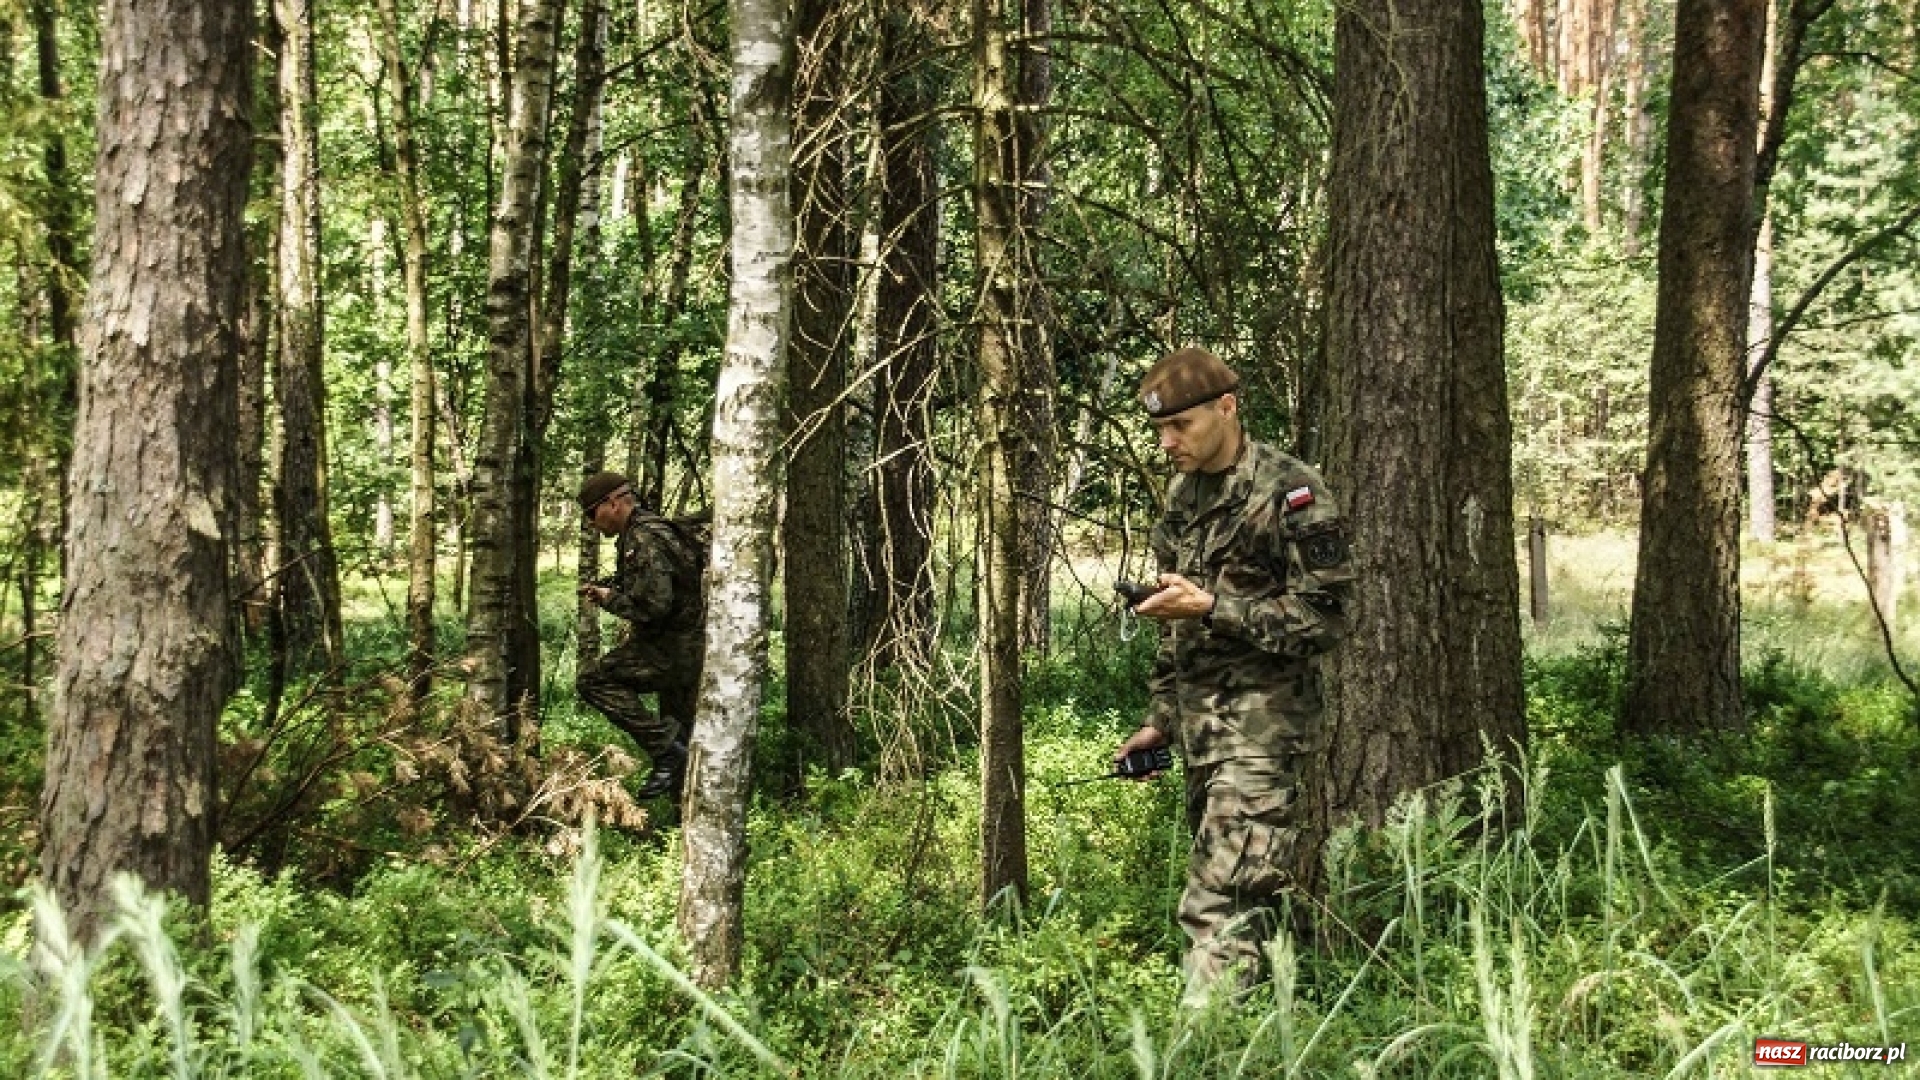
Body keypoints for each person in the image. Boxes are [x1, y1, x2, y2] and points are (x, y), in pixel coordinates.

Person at [1111, 346, 1355, 1006]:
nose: (1167, 443)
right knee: (1255, 904)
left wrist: (1216, 607)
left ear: (1227, 409)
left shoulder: (1292, 492)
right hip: (1204, 735)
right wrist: (1159, 722)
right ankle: (1282, 1035)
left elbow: (1325, 619)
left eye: (1181, 426)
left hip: (1265, 733)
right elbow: (1174, 625)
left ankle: (1208, 1048)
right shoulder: (1182, 498)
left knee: (1218, 901)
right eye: (1160, 429)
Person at [576, 471, 706, 799]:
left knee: (593, 680)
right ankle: (683, 815)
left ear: (614, 503)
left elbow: (655, 606)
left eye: (593, 513)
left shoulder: (643, 537)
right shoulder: (652, 529)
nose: (592, 523)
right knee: (684, 731)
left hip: (672, 651)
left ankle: (664, 749)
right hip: (691, 647)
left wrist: (609, 599)